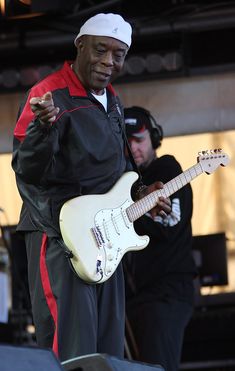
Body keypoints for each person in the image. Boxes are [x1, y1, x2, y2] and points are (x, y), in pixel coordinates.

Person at [11, 14, 171, 362]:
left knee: (106, 351)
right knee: (71, 349)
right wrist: (43, 127)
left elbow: (119, 172)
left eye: (118, 54)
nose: (108, 61)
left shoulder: (112, 100)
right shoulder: (48, 94)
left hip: (107, 239)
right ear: (79, 46)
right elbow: (27, 170)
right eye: (100, 50)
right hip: (60, 237)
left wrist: (142, 194)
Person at [123, 106, 197, 371]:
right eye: (127, 141)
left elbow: (168, 223)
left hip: (165, 296)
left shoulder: (167, 169)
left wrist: (127, 216)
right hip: (134, 299)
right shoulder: (123, 182)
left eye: (139, 140)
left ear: (154, 139)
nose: (134, 148)